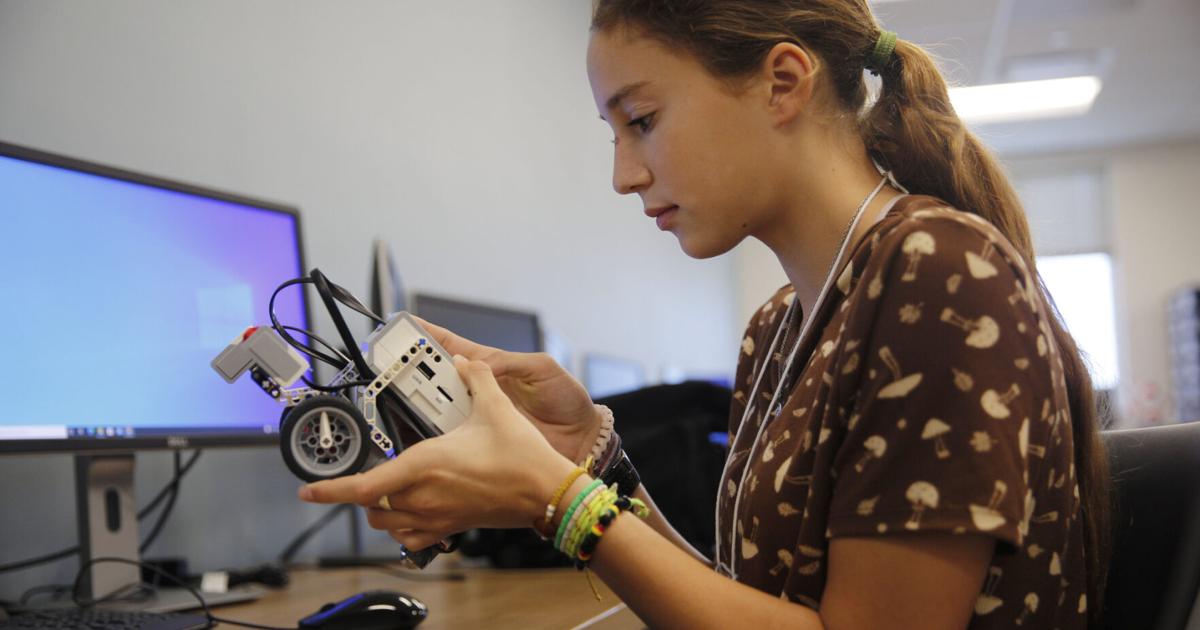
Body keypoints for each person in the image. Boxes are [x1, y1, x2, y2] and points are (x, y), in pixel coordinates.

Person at [299, 1, 1111, 627]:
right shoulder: (780, 327)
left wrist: (557, 501)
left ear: (782, 83)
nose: (623, 173)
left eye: (642, 121)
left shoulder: (938, 273)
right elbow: (743, 603)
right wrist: (587, 457)